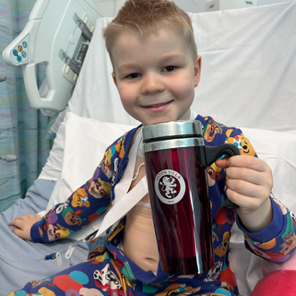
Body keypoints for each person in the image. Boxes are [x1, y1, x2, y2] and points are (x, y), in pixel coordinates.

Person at [7, 0, 296, 295]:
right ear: (116, 82)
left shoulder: (226, 147)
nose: (151, 86)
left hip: (202, 285)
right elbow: (87, 199)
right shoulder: (121, 151)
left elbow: (282, 250)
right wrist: (42, 226)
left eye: (169, 67)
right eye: (133, 74)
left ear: (195, 71)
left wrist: (259, 209)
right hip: (116, 274)